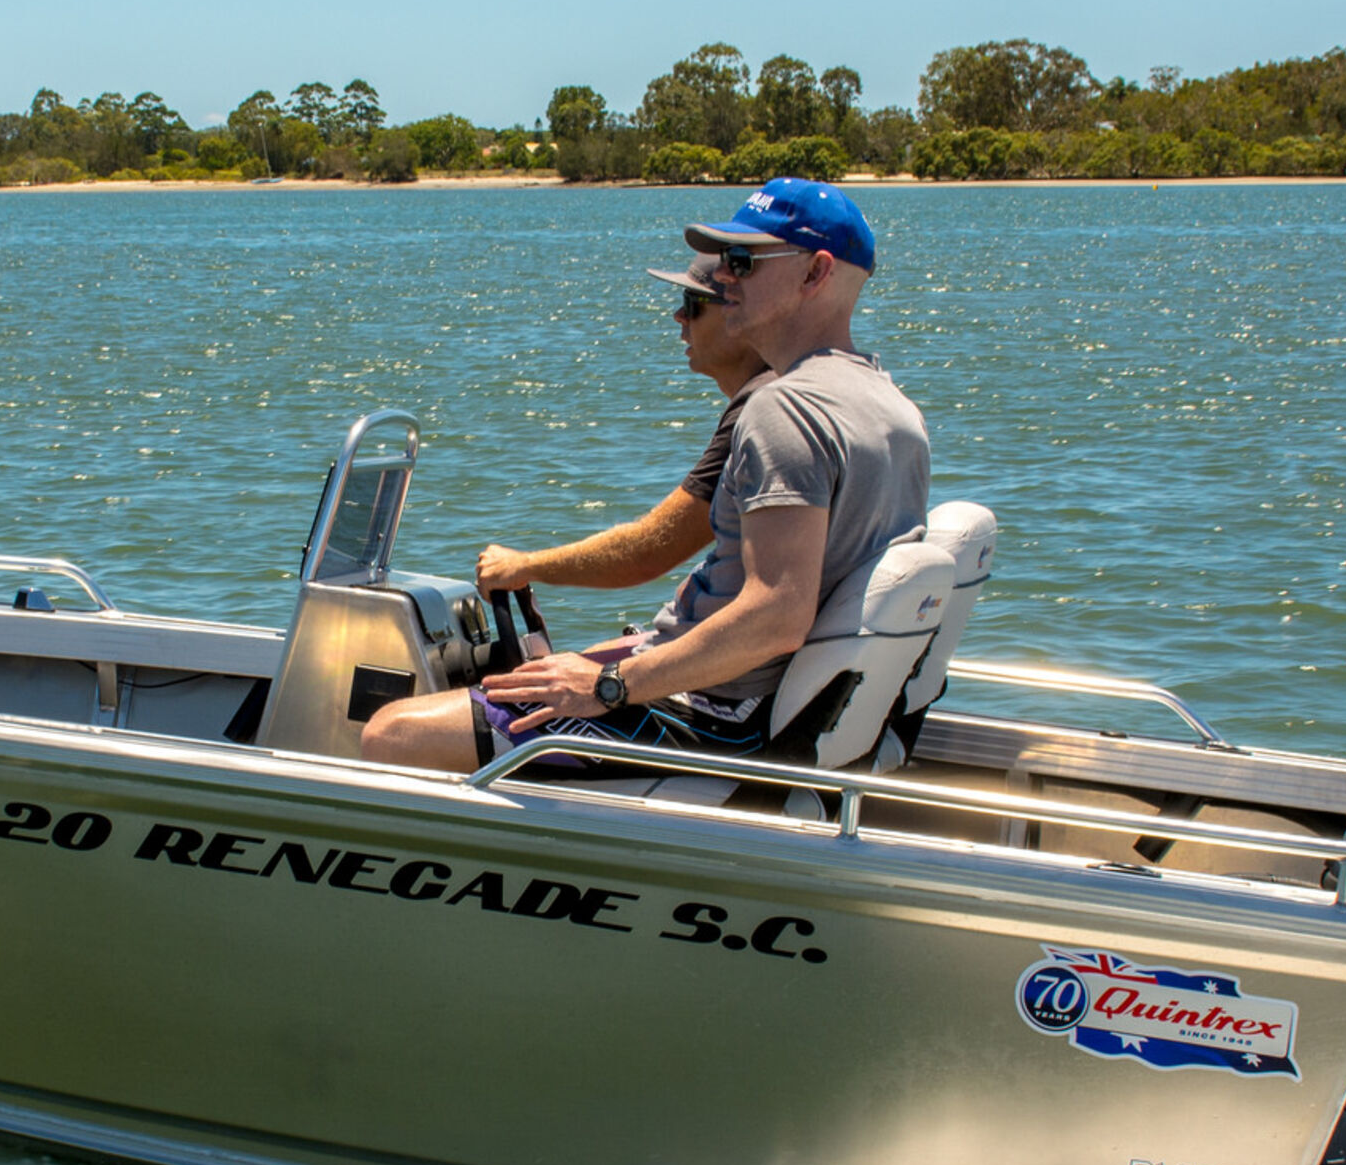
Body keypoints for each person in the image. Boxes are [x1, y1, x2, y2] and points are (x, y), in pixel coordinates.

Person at [360, 179, 928, 771]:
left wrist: (609, 686)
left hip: (716, 718)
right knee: (531, 679)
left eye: (742, 262)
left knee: (392, 733)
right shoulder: (891, 405)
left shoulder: (783, 409)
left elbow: (776, 617)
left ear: (815, 274)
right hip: (760, 705)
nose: (724, 278)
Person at [471, 263, 769, 604]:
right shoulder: (781, 391)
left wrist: (523, 565)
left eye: (692, 303)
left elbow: (649, 551)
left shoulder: (760, 406)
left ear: (740, 314)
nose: (678, 316)